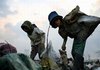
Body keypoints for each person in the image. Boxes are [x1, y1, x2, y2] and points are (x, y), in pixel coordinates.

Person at [48, 5, 100, 70]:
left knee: (77, 52)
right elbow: (65, 37)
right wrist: (64, 44)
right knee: (73, 52)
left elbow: (76, 10)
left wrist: (74, 12)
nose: (57, 22)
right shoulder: (61, 31)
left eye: (57, 20)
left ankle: (77, 68)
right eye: (54, 22)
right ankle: (81, 67)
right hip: (76, 36)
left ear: (59, 19)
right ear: (54, 24)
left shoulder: (67, 19)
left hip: (82, 31)